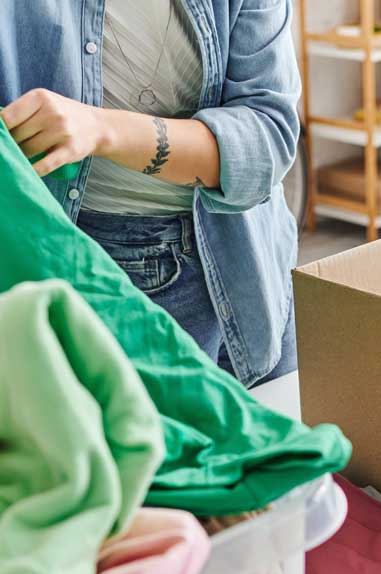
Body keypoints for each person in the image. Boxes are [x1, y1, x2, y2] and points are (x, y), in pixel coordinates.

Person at [0, 0, 301, 386]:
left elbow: (267, 142)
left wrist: (103, 129)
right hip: (94, 275)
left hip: (252, 273)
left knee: (282, 435)